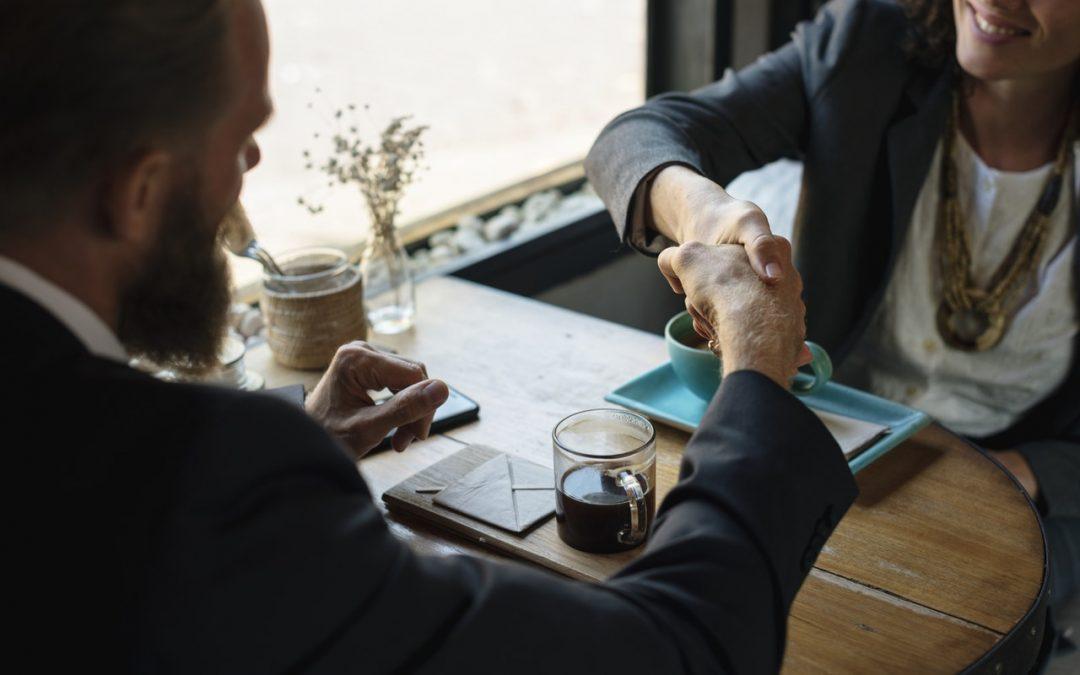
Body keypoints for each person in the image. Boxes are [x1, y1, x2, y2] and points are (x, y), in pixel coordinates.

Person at [2, 1, 858, 671]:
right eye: (243, 141)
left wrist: (297, 443)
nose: (245, 179)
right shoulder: (195, 490)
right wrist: (755, 363)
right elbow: (672, 651)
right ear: (139, 189)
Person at [586, 0, 1079, 642]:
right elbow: (634, 138)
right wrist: (705, 213)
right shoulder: (869, 47)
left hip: (1016, 487)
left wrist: (1023, 470)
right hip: (833, 447)